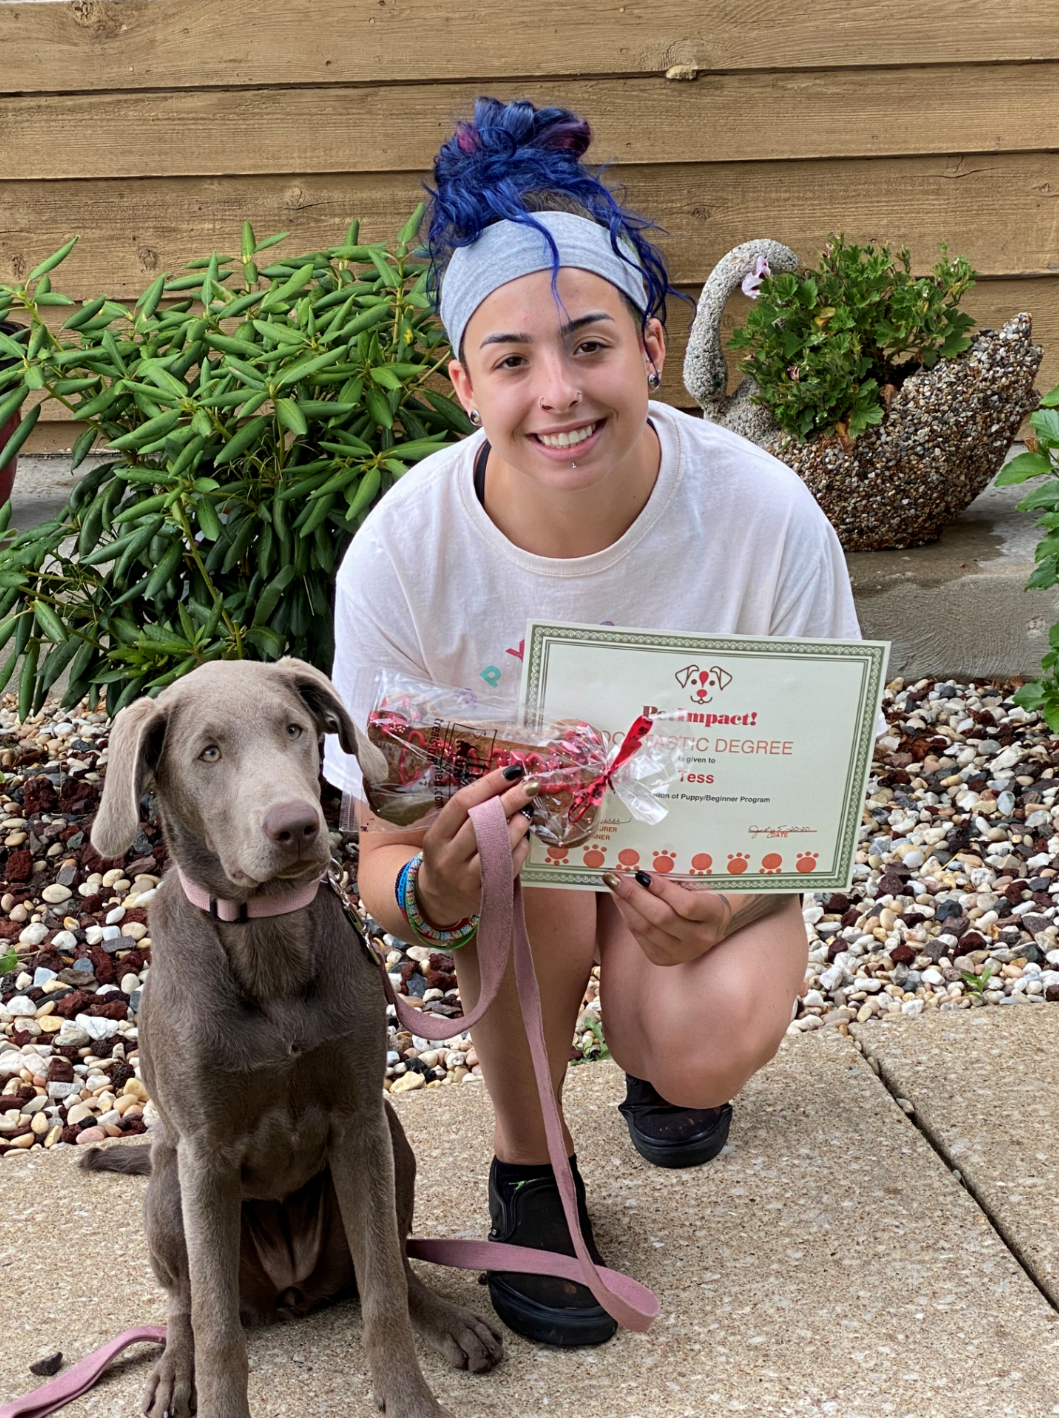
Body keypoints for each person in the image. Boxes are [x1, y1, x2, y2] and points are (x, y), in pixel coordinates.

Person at [324, 96, 868, 1349]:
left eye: (590, 345)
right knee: (513, 861)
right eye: (512, 359)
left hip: (697, 862)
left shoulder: (767, 520)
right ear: (462, 381)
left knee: (692, 1036)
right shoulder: (402, 561)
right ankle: (532, 1168)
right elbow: (382, 867)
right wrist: (436, 895)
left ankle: (656, 1063)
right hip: (535, 894)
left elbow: (813, 802)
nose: (557, 392)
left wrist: (724, 910)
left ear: (654, 346)